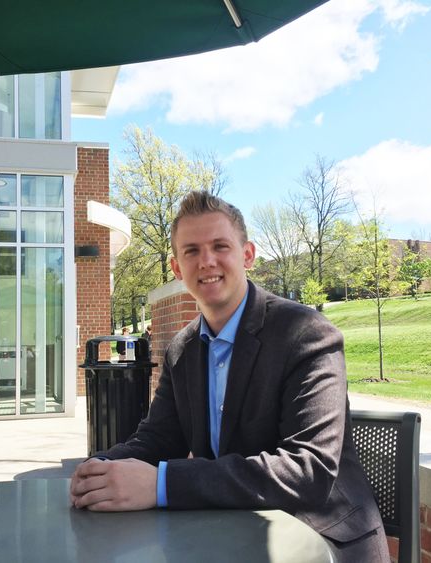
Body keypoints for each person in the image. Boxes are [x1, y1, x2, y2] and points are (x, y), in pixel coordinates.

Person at [70, 191, 389, 562]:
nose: (206, 261)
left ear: (247, 255)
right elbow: (159, 438)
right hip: (229, 535)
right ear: (176, 268)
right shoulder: (183, 348)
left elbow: (308, 469)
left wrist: (161, 484)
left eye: (220, 246)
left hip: (320, 540)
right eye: (191, 251)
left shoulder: (305, 333)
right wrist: (101, 469)